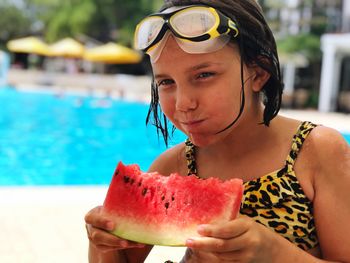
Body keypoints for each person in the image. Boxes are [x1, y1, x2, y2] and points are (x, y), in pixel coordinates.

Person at [84, 0, 350, 262]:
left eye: (204, 75)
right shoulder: (175, 165)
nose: (183, 103)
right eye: (166, 82)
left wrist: (275, 253)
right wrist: (103, 242)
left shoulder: (315, 151)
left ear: (258, 73)